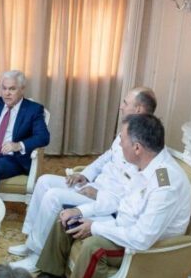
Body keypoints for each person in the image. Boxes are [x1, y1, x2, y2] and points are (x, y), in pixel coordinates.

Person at [34, 114, 191, 278]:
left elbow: (142, 238)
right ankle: (54, 275)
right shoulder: (141, 166)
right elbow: (117, 201)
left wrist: (95, 227)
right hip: (122, 225)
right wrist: (80, 211)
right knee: (69, 218)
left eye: (122, 139)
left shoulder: (165, 183)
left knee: (94, 248)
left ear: (137, 147)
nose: (119, 144)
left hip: (147, 247)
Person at [9, 87, 156, 264]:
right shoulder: (127, 131)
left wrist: (98, 193)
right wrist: (85, 175)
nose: (121, 106)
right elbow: (106, 157)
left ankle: (37, 255)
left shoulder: (143, 145)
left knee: (53, 196)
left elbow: (129, 194)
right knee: (44, 181)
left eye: (125, 102)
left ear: (138, 109)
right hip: (94, 186)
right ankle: (30, 241)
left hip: (105, 200)